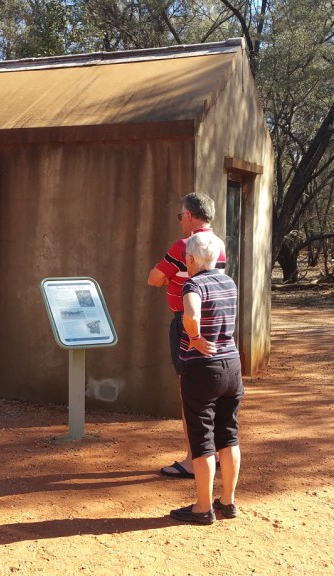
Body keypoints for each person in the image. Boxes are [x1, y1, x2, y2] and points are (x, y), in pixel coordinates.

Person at [146, 192, 225, 479]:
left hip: (187, 321)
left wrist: (170, 276)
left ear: (190, 216)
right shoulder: (219, 245)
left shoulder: (184, 245)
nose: (180, 220)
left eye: (181, 215)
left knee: (189, 392)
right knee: (211, 392)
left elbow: (153, 278)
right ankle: (211, 453)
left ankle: (194, 458)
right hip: (215, 321)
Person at [169, 231, 242, 525]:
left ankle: (202, 507)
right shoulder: (229, 282)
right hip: (232, 366)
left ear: (190, 259)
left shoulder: (194, 284)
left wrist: (195, 337)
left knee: (202, 441)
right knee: (229, 436)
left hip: (202, 370)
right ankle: (228, 501)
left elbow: (191, 314)